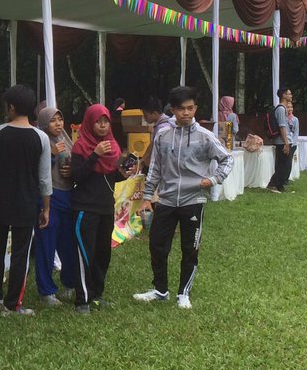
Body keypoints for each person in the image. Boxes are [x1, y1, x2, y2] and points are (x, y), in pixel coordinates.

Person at [133, 85, 233, 310]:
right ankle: (160, 290)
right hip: (166, 200)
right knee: (157, 246)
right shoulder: (162, 136)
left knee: (190, 248)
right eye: (181, 109)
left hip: (193, 201)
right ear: (173, 110)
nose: (186, 113)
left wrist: (214, 179)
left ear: (195, 108)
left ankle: (183, 293)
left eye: (190, 108)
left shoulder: (205, 137)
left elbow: (227, 159)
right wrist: (148, 197)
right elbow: (156, 169)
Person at [0, 84, 51, 316]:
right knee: (20, 254)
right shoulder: (41, 138)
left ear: (11, 107)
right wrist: (46, 208)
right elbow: (44, 178)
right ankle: (12, 304)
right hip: (26, 204)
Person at [71, 104, 123, 315]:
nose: (102, 126)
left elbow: (109, 177)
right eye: (98, 122)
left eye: (106, 121)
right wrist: (94, 155)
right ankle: (82, 299)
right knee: (85, 254)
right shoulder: (81, 146)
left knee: (103, 254)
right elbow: (76, 176)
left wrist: (124, 172)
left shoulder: (112, 146)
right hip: (85, 208)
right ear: (89, 123)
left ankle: (97, 295)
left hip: (105, 208)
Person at [33, 106, 76, 307]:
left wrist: (72, 171)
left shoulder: (66, 139)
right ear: (43, 123)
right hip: (48, 198)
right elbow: (35, 171)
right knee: (46, 244)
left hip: (68, 196)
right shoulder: (39, 141)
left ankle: (69, 283)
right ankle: (46, 290)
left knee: (68, 244)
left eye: (60, 119)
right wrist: (50, 154)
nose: (58, 124)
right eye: (53, 120)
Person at [266, 87, 294, 194]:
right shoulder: (281, 109)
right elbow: (282, 126)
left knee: (285, 164)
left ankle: (279, 185)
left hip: (285, 140)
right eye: (289, 94)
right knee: (282, 165)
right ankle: (272, 184)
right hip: (282, 142)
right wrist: (286, 143)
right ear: (283, 95)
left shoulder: (283, 108)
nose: (291, 96)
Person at [140, 97, 172, 171]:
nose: (144, 118)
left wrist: (144, 162)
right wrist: (142, 160)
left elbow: (155, 149)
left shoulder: (163, 128)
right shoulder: (160, 124)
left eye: (146, 115)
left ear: (154, 113)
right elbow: (152, 144)